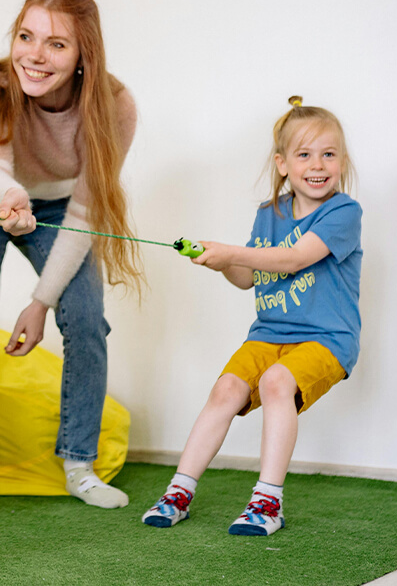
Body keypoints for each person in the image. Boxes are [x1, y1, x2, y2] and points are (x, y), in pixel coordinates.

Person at [0, 0, 140, 523]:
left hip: (65, 208)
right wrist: (9, 199)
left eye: (57, 44)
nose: (34, 56)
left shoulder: (113, 105)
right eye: (26, 36)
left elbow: (87, 210)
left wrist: (40, 302)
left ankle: (79, 463)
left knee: (87, 318)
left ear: (84, 52)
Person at [141, 96, 362, 536]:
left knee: (276, 382)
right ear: (283, 164)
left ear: (341, 161)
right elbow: (249, 276)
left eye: (328, 154)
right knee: (226, 388)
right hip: (268, 334)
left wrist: (231, 251)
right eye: (304, 154)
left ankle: (267, 503)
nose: (317, 164)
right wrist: (219, 260)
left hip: (327, 339)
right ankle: (178, 493)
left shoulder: (343, 212)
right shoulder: (269, 215)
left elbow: (295, 258)